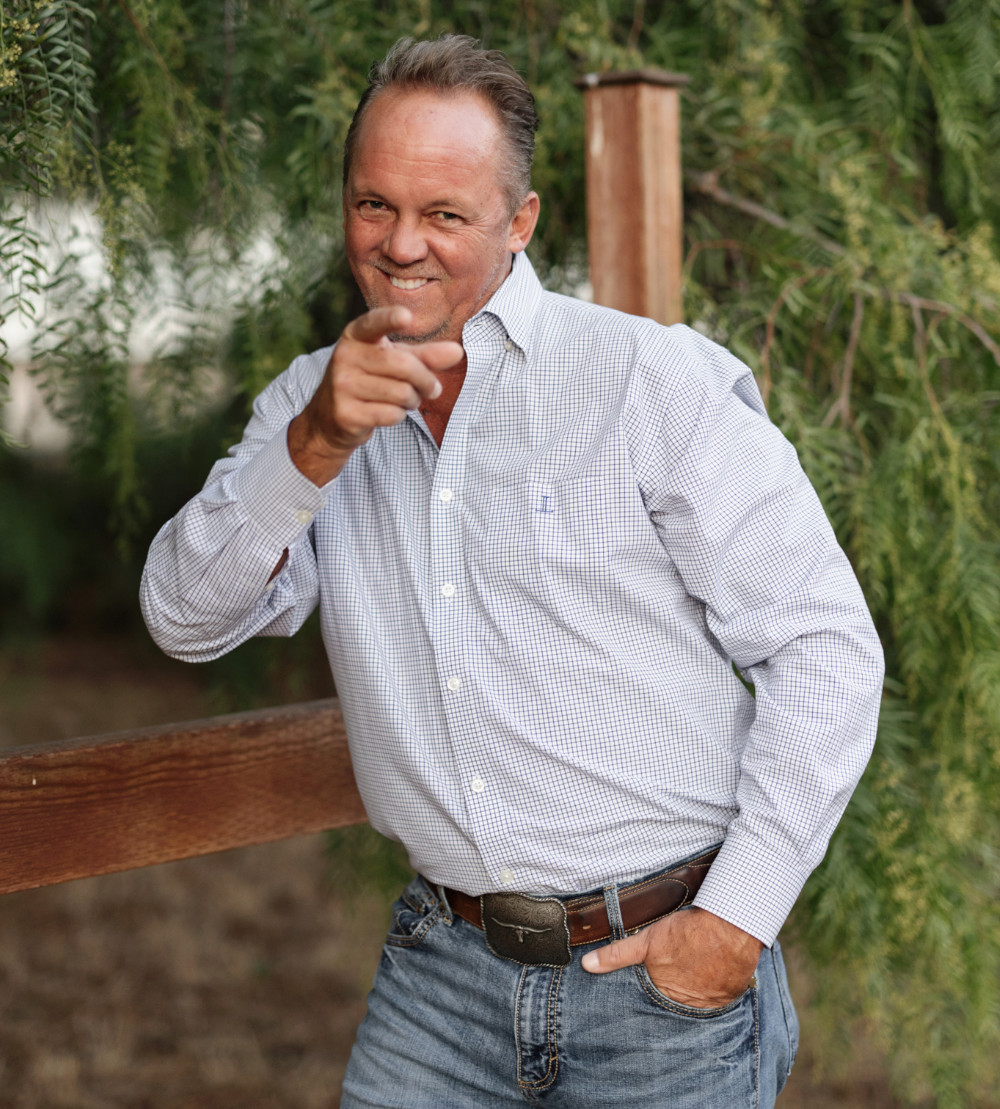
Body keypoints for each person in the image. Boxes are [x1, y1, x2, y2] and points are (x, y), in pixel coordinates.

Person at [141, 34, 884, 1109]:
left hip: (659, 987)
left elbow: (822, 646)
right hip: (441, 976)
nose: (401, 245)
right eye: (372, 205)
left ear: (520, 221)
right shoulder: (308, 402)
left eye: (444, 212)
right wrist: (309, 448)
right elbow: (182, 618)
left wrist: (734, 924)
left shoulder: (645, 379)